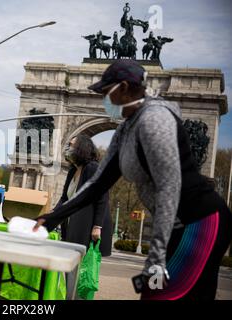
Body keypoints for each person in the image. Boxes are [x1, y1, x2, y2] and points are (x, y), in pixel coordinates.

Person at [34, 59, 232, 300]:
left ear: (124, 88)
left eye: (107, 92)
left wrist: (157, 254)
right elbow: (97, 185)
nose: (104, 99)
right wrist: (52, 219)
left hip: (200, 222)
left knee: (161, 295)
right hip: (177, 226)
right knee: (154, 294)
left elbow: (169, 188)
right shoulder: (125, 130)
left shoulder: (155, 120)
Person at [59, 132, 112, 299]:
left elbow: (102, 197)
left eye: (72, 145)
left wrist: (97, 226)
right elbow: (64, 198)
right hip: (72, 225)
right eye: (69, 145)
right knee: (70, 268)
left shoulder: (93, 168)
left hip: (88, 226)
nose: (69, 148)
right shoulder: (72, 171)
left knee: (81, 271)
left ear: (82, 148)